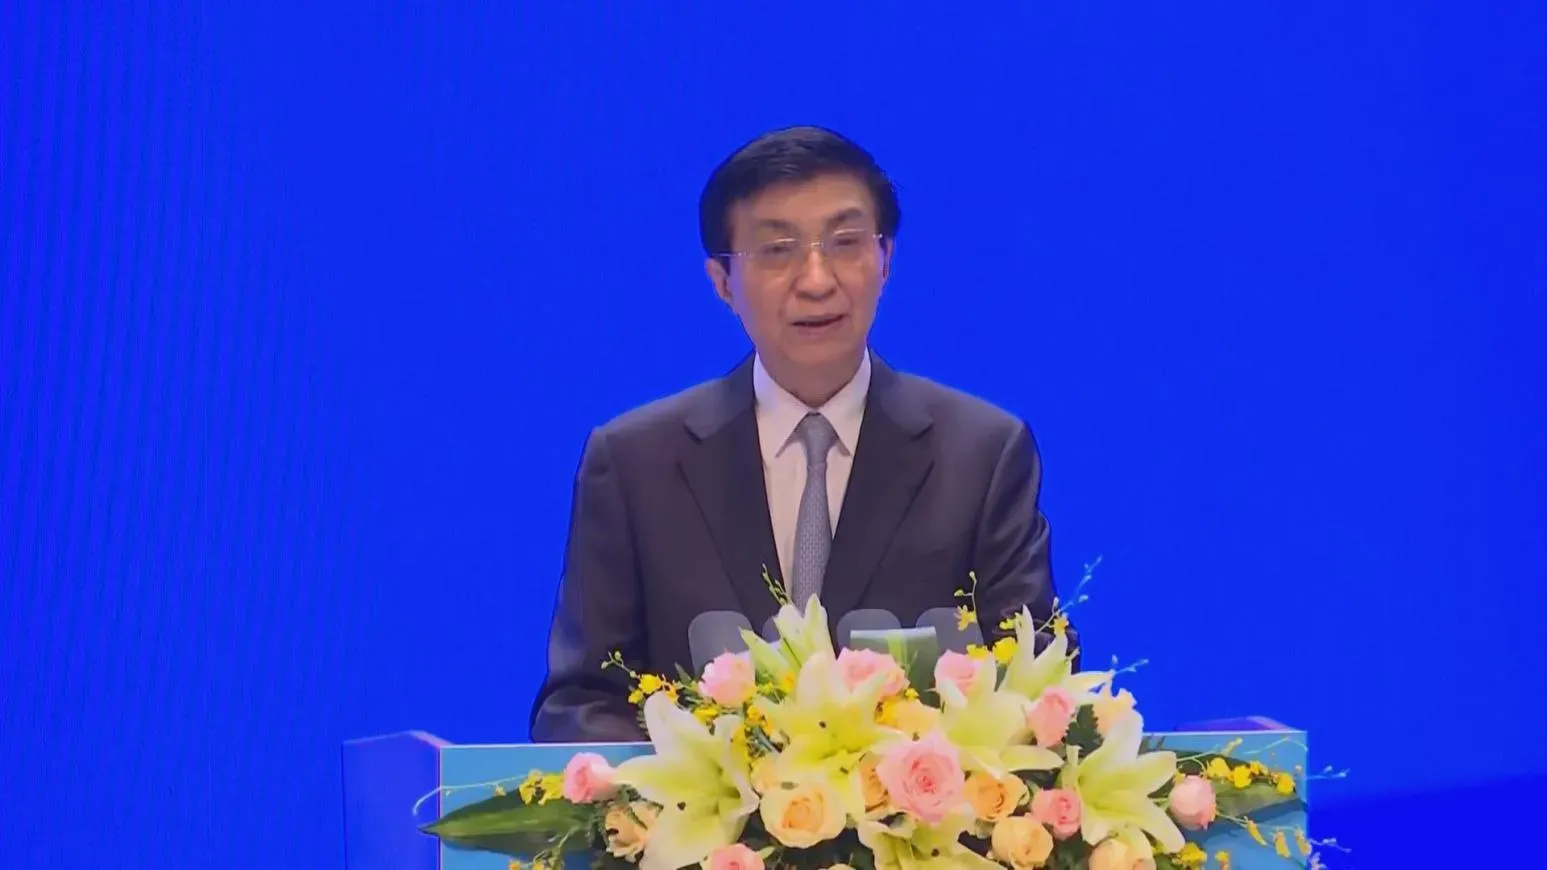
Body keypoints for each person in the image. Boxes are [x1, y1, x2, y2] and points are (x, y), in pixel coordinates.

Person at [529, 126, 1063, 742]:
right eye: (777, 250)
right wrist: (703, 778)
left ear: (886, 259)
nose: (816, 279)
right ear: (722, 281)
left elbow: (1035, 683)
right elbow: (579, 705)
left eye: (846, 242)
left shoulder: (983, 453)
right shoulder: (634, 463)